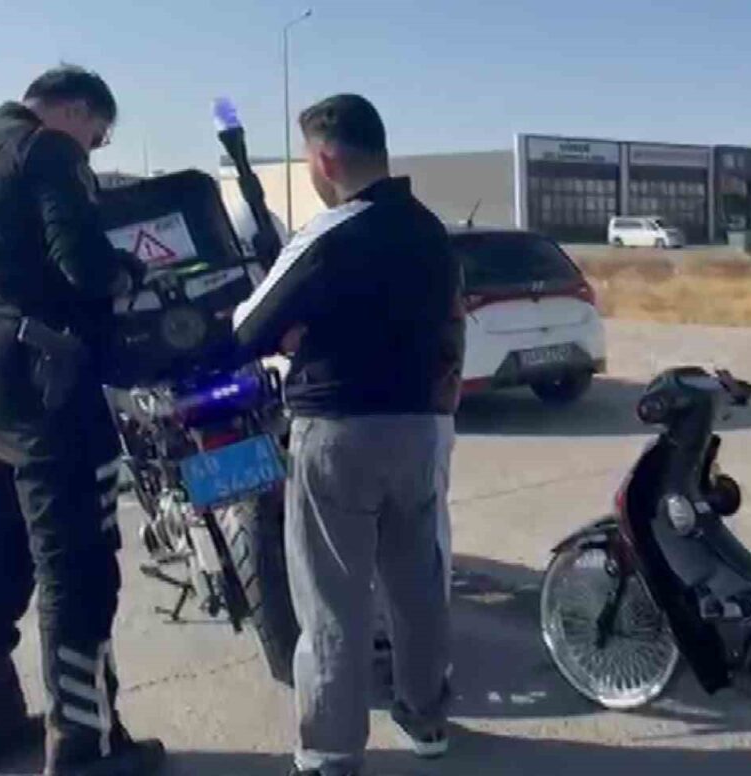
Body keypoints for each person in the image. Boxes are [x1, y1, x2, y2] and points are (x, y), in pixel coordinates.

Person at [0, 66, 164, 775]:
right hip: (47, 387)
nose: (92, 150)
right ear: (74, 110)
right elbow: (85, 266)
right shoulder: (44, 150)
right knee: (77, 567)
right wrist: (127, 274)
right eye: (96, 135)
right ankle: (84, 747)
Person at [233, 93, 463, 776]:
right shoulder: (430, 231)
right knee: (417, 584)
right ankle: (426, 721)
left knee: (333, 596)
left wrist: (294, 330)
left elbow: (247, 328)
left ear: (326, 159)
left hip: (338, 433)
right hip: (421, 430)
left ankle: (331, 749)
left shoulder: (330, 233)